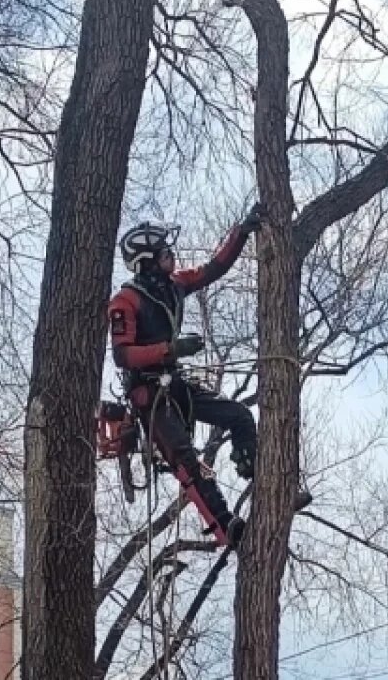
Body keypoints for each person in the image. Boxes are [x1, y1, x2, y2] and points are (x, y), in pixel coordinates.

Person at [107, 206, 264, 547]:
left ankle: (256, 474)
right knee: (185, 458)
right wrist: (171, 349)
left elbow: (213, 269)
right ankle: (226, 525)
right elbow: (123, 355)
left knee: (238, 415)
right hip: (148, 393)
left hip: (175, 382)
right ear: (147, 261)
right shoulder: (125, 301)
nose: (172, 256)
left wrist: (241, 233)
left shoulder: (175, 285)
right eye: (164, 252)